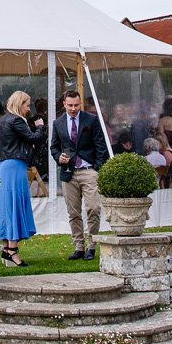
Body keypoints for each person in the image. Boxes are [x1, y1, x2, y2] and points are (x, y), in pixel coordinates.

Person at [0, 90, 46, 267]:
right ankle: (12, 250)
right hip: (15, 165)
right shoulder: (16, 120)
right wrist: (40, 126)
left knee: (6, 205)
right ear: (19, 104)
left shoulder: (2, 120)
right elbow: (33, 138)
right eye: (26, 105)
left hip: (4, 166)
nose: (28, 109)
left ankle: (7, 248)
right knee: (14, 204)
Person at [51, 88, 105, 259]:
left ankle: (92, 245)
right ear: (64, 104)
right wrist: (59, 157)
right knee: (73, 212)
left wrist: (97, 167)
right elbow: (54, 147)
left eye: (76, 105)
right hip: (69, 172)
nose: (73, 108)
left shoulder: (91, 120)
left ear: (80, 103)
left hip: (89, 170)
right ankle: (79, 247)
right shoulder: (58, 123)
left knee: (93, 208)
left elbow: (100, 145)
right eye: (70, 105)